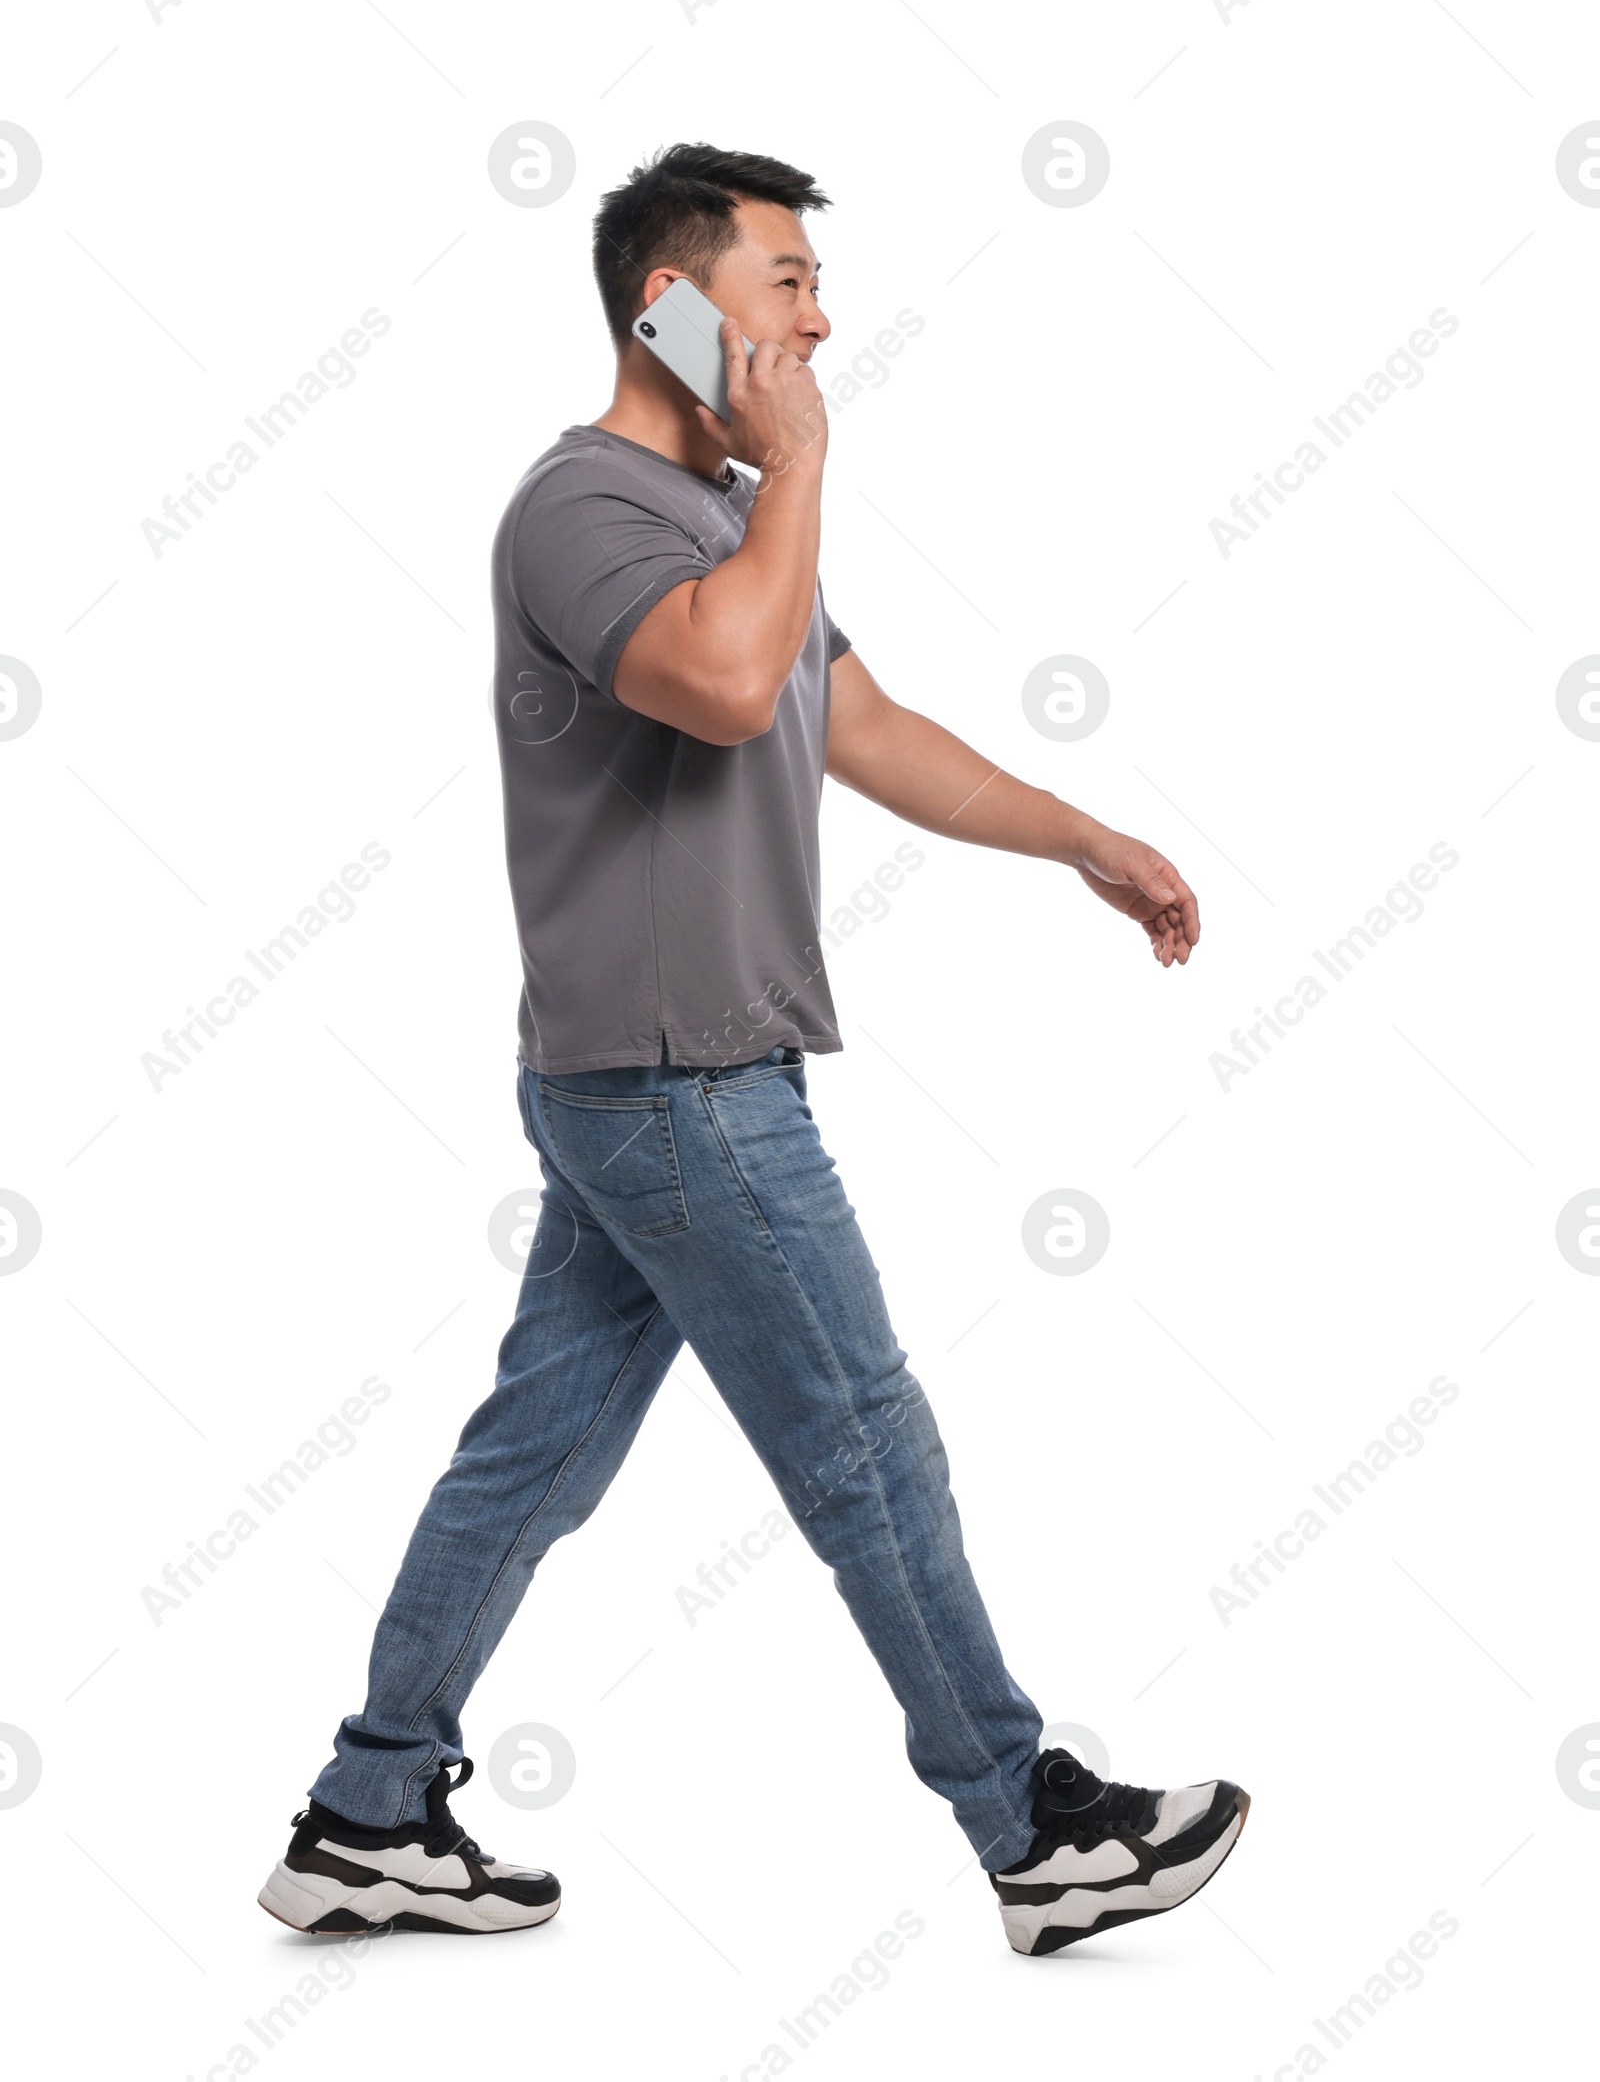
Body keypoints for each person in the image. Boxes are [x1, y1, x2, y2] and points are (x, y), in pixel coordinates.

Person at [257, 143, 1248, 1957]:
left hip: (647, 1084)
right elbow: (718, 683)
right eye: (783, 283)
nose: (818, 318)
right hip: (682, 1081)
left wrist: (1082, 837)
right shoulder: (586, 506)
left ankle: (369, 1809)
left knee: (530, 1461)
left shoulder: (730, 521)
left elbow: (862, 721)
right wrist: (796, 464)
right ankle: (1034, 1830)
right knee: (867, 1440)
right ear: (673, 307)